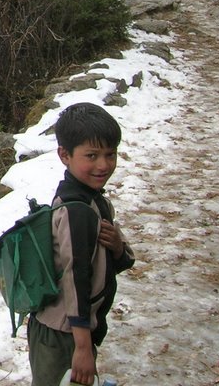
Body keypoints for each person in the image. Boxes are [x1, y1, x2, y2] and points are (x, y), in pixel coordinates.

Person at [28, 102, 135, 386]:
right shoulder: (76, 210)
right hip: (64, 333)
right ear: (65, 155)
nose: (103, 165)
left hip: (72, 330)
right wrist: (83, 348)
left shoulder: (93, 200)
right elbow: (76, 278)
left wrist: (117, 248)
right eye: (92, 155)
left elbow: (112, 263)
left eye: (110, 154)